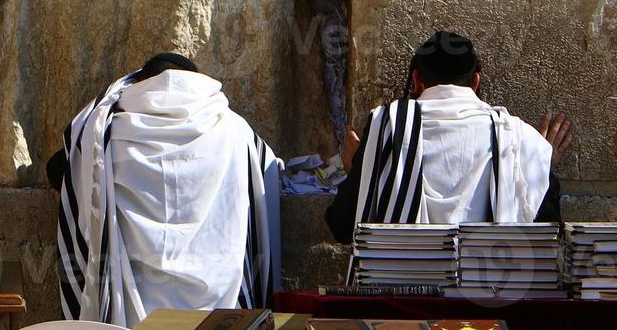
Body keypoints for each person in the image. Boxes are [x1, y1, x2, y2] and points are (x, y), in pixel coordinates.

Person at [47, 53, 281, 327]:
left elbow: (60, 171)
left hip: (131, 312)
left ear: (139, 81)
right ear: (198, 83)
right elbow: (267, 175)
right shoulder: (237, 133)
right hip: (217, 310)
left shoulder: (107, 132)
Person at [325, 31, 573, 241]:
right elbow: (548, 237)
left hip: (406, 295)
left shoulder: (388, 126)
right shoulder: (520, 139)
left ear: (416, 81)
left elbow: (343, 228)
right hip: (488, 294)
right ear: (475, 82)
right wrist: (538, 168)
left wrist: (360, 170)